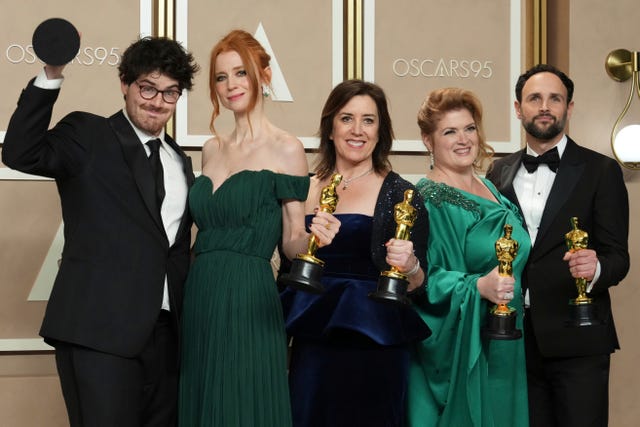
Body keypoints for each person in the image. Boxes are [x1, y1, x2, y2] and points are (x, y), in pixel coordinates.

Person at [2, 36, 198, 426]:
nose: (158, 101)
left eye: (170, 93)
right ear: (125, 83)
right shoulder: (88, 135)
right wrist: (52, 74)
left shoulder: (180, 159)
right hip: (98, 332)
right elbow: (20, 151)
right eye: (148, 88)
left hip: (167, 339)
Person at [177, 30, 326, 426]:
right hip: (200, 295)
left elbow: (293, 241)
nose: (230, 86)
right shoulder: (211, 149)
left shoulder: (286, 148)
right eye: (221, 77)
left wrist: (315, 240)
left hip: (249, 296)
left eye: (240, 73)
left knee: (244, 402)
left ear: (264, 74)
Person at [280, 79, 431, 427]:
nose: (357, 130)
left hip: (376, 340)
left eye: (369, 120)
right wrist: (309, 238)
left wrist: (409, 265)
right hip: (314, 334)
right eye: (347, 118)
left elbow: (419, 283)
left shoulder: (402, 194)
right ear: (330, 127)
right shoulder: (304, 184)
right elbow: (290, 253)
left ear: (381, 131)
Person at [487, 64, 630, 427]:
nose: (545, 106)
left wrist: (594, 269)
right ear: (518, 108)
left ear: (569, 107)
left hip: (578, 339)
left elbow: (619, 258)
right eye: (535, 98)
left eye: (556, 98)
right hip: (512, 339)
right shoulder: (496, 173)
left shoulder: (602, 171)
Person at [407, 87, 530, 426]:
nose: (463, 139)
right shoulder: (429, 197)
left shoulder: (490, 186)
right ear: (428, 141)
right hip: (465, 346)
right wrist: (479, 286)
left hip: (506, 340)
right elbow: (424, 279)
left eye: (469, 128)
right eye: (449, 131)